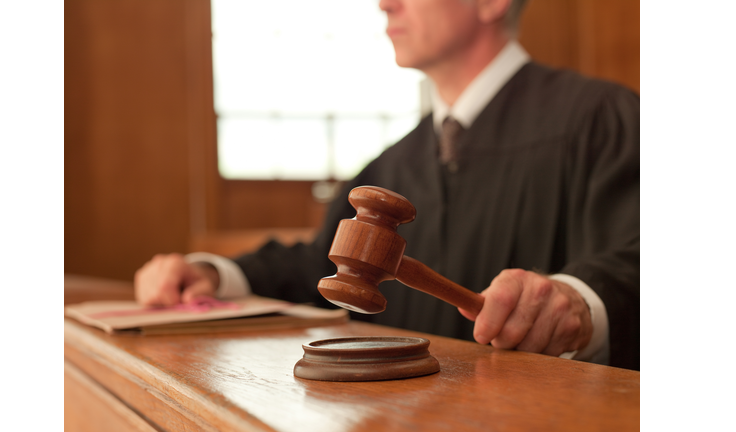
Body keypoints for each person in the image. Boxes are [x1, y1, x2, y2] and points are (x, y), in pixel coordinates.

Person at [135, 0, 640, 370]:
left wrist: (582, 302)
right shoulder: (391, 165)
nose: (384, 4)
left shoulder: (603, 120)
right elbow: (324, 266)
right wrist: (214, 275)